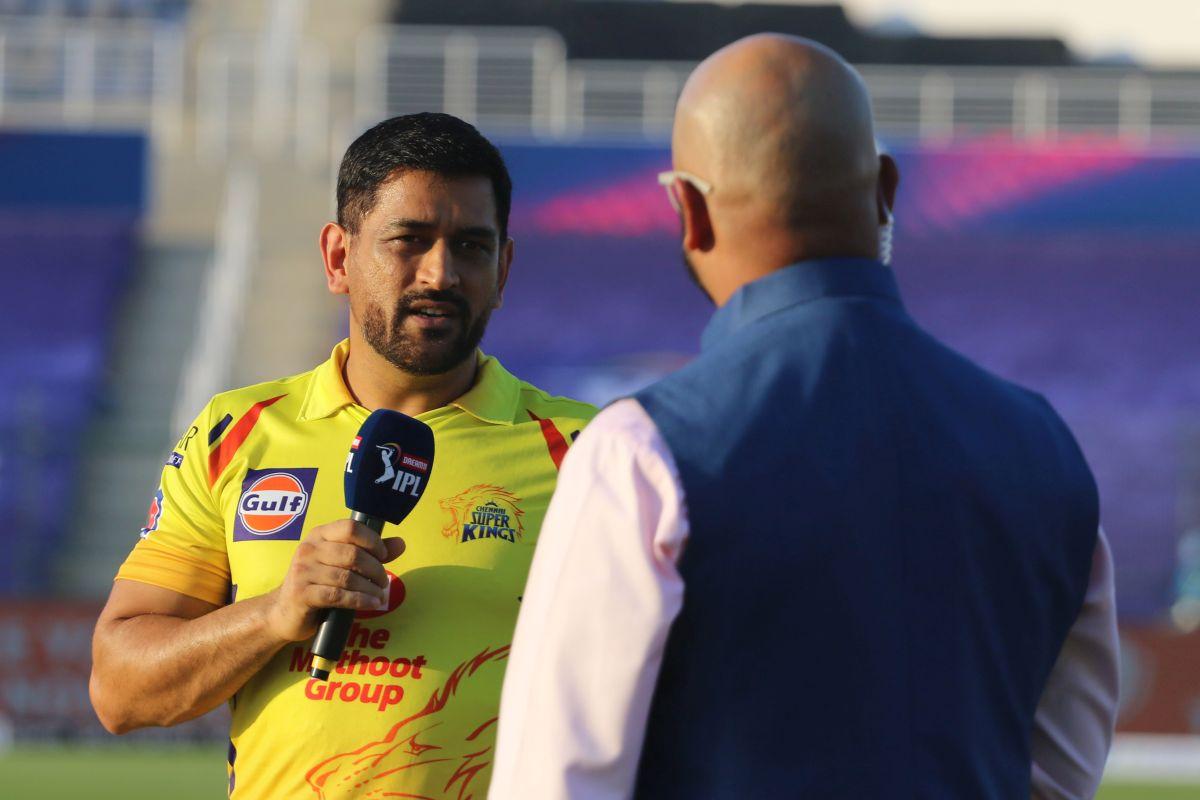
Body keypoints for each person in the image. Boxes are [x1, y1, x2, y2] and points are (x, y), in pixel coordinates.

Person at [489, 35, 1118, 800]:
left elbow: (556, 780)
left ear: (686, 208)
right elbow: (1061, 776)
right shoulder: (1044, 447)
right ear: (885, 189)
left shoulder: (641, 453)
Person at [89, 113, 596, 799]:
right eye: (408, 242)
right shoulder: (236, 432)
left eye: (471, 247)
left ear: (503, 269)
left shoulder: (588, 452)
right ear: (338, 258)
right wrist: (275, 613)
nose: (441, 273)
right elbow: (120, 689)